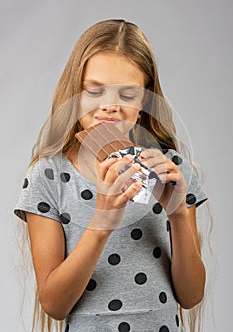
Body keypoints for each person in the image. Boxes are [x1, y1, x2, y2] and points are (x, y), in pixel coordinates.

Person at [14, 19, 208, 332]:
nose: (110, 107)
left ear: (145, 101)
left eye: (128, 95)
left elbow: (191, 295)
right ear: (75, 93)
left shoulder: (173, 171)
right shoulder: (48, 176)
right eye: (95, 91)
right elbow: (54, 305)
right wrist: (102, 222)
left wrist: (178, 215)